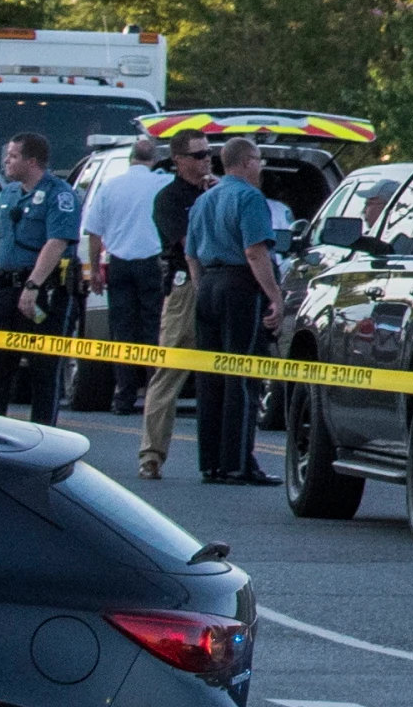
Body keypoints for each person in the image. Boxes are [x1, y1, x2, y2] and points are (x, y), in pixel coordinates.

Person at [181, 135, 285, 486]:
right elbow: (255, 252)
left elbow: (191, 254)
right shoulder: (249, 197)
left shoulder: (205, 199)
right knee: (240, 377)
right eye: (258, 160)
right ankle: (237, 462)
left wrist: (201, 290)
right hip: (238, 285)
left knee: (210, 377)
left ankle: (210, 462)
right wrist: (275, 296)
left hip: (208, 284)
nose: (261, 166)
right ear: (244, 163)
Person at [80, 148, 188, 478]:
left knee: (121, 330)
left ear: (130, 159)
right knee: (153, 330)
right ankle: (148, 389)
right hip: (153, 263)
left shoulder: (111, 186)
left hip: (120, 263)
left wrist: (97, 269)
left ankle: (124, 394)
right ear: (153, 159)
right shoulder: (163, 184)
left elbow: (94, 231)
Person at [0, 132, 81, 421]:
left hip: (42, 293)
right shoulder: (9, 192)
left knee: (43, 370)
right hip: (5, 288)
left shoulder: (60, 195)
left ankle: (45, 439)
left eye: (13, 156)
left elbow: (57, 242)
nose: (6, 161)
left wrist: (33, 285)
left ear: (32, 161)